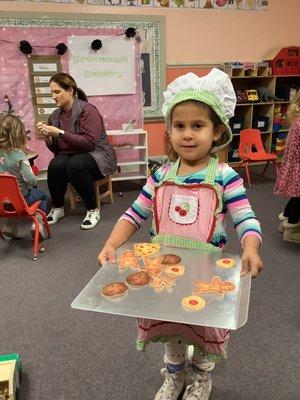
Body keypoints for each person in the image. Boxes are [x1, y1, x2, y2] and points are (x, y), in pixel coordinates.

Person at [98, 69, 263, 400]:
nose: (187, 134)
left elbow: (246, 217)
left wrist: (251, 247)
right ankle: (174, 375)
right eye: (179, 126)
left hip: (205, 272)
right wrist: (111, 243)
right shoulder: (159, 175)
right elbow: (134, 214)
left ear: (217, 131)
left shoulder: (226, 176)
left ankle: (201, 376)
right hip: (163, 273)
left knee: (202, 329)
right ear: (170, 131)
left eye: (197, 126)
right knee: (170, 327)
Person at [37, 73, 117, 230]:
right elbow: (57, 150)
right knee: (56, 164)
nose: (53, 96)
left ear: (71, 90)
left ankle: (93, 209)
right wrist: (48, 139)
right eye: (51, 92)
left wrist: (59, 133)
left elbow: (88, 143)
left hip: (97, 155)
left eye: (57, 92)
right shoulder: (55, 116)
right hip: (72, 155)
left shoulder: (88, 110)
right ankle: (58, 207)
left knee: (76, 164)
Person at [0, 113, 48, 239]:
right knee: (41, 196)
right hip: (20, 202)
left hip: (1, 202)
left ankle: (10, 226)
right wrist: (32, 182)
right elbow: (31, 180)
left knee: (11, 196)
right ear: (19, 135)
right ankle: (37, 224)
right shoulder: (20, 156)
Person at [274, 90, 300, 243]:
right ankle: (291, 229)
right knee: (299, 199)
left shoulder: (296, 121)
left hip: (293, 164)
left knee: (296, 197)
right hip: (298, 166)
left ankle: (286, 222)